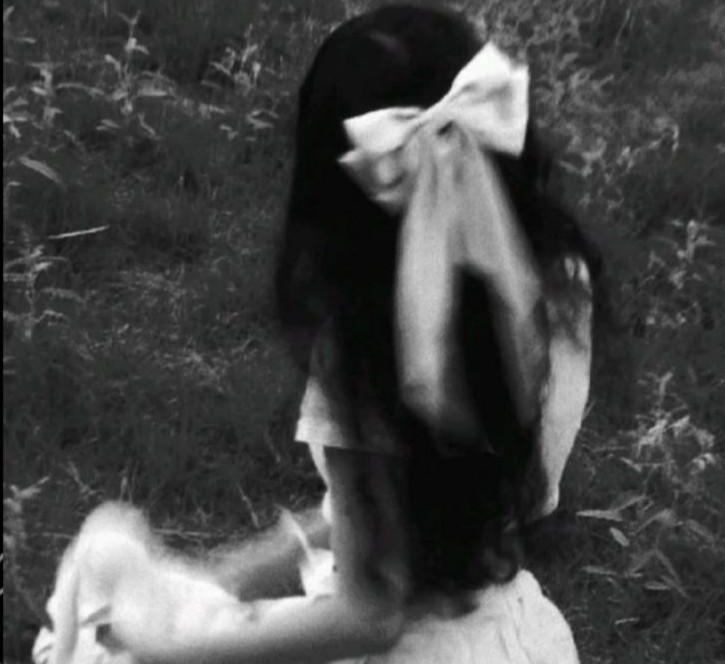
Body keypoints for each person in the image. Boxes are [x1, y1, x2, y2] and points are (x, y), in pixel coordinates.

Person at [36, 5, 600, 663]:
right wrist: (234, 573)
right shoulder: (555, 281)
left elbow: (371, 613)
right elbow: (451, 506)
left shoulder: (364, 352)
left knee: (100, 614)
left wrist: (173, 640)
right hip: (507, 638)